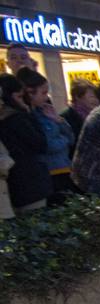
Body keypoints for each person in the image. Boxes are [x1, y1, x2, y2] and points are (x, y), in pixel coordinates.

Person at [15, 68, 75, 199]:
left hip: (64, 168)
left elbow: (71, 137)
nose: (46, 97)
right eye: (43, 93)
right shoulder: (28, 118)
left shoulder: (46, 111)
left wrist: (58, 120)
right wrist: (63, 139)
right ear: (30, 93)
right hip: (48, 172)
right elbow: (47, 145)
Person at [0, 72, 51, 212]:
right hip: (28, 183)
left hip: (16, 185)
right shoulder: (18, 118)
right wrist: (28, 113)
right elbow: (40, 144)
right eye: (19, 96)